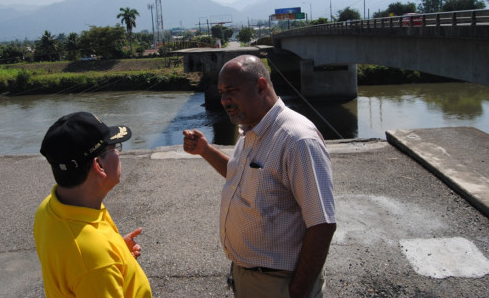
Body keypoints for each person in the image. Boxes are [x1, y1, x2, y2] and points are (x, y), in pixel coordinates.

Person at [183, 55, 336, 298]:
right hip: (248, 276)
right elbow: (239, 176)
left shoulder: (297, 139)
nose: (224, 101)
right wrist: (205, 150)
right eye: (222, 92)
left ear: (261, 86)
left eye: (231, 91)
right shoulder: (250, 128)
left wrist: (297, 291)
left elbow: (323, 223)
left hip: (279, 283)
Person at [34, 111, 152, 298]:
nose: (119, 154)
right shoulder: (95, 263)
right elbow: (88, 263)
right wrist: (104, 259)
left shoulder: (50, 208)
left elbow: (74, 262)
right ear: (99, 165)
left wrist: (117, 253)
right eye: (114, 147)